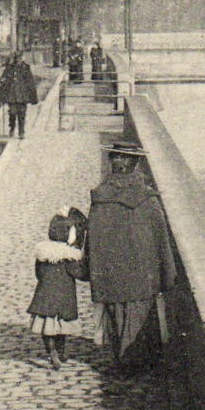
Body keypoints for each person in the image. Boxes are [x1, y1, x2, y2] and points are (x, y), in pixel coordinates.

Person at [82, 141, 177, 369]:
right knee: (137, 320)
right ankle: (135, 363)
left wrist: (91, 270)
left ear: (112, 165)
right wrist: (168, 274)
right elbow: (161, 239)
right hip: (142, 277)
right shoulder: (147, 199)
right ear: (136, 164)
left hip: (111, 276)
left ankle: (122, 362)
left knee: (116, 319)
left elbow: (92, 239)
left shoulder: (100, 198)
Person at [28, 208, 87, 370]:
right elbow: (80, 273)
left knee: (46, 328)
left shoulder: (43, 254)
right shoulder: (69, 256)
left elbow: (38, 273)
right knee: (62, 328)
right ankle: (60, 352)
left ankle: (51, 352)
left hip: (45, 297)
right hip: (64, 298)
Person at [0, 51, 38, 139]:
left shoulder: (26, 68)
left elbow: (30, 82)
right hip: (12, 95)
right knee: (12, 113)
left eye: (20, 58)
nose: (19, 60)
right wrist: (1, 95)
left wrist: (33, 96)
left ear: (23, 58)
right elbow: (3, 81)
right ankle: (12, 128)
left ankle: (21, 132)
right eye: (17, 58)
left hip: (23, 95)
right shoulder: (10, 68)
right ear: (15, 59)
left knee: (22, 114)